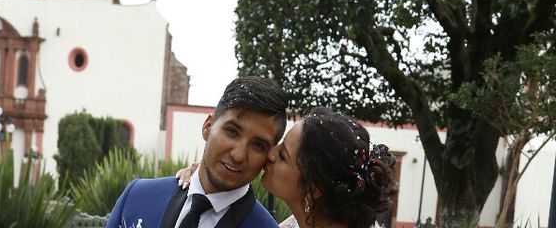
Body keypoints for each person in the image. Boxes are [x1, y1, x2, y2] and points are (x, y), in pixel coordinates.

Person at [105, 76, 289, 228]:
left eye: (258, 145)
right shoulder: (137, 196)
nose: (238, 155)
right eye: (232, 132)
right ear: (208, 126)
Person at [178, 107, 398, 228]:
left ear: (314, 190)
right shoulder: (301, 221)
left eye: (282, 155)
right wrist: (204, 175)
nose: (270, 153)